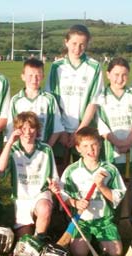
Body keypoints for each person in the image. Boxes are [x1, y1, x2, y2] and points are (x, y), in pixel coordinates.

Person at [54, 127, 126, 256]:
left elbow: (117, 197)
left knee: (116, 253)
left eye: (94, 145)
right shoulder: (71, 170)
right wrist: (75, 203)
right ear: (78, 149)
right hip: (81, 221)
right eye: (85, 146)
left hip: (104, 220)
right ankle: (89, 241)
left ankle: (99, 241)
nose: (91, 150)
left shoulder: (110, 169)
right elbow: (63, 196)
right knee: (79, 253)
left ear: (100, 145)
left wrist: (102, 186)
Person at [46, 24, 104, 173]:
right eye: (74, 44)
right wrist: (62, 131)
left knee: (85, 172)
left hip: (84, 130)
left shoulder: (94, 67)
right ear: (66, 42)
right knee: (58, 171)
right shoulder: (56, 67)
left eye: (82, 44)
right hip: (60, 131)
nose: (77, 48)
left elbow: (94, 101)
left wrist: (79, 131)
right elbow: (51, 101)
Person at [0, 112, 59, 239]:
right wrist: (9, 143)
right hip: (21, 198)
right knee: (23, 239)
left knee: (44, 209)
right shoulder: (13, 149)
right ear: (16, 130)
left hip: (40, 194)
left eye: (31, 127)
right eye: (23, 128)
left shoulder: (46, 149)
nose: (28, 132)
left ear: (37, 130)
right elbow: (0, 168)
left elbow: (54, 177)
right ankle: (31, 237)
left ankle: (39, 240)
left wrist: (54, 185)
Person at [96, 57, 132, 178]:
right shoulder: (101, 95)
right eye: (116, 74)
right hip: (109, 149)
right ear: (108, 74)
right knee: (109, 183)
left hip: (131, 147)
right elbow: (100, 124)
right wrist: (117, 143)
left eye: (124, 75)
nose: (120, 79)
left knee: (128, 183)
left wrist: (128, 142)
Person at [6, 58, 64, 147]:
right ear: (23, 76)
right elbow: (10, 129)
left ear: (43, 76)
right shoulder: (16, 100)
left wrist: (46, 148)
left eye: (38, 75)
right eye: (30, 75)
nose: (34, 79)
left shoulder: (49, 99)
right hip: (21, 150)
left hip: (43, 148)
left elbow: (57, 128)